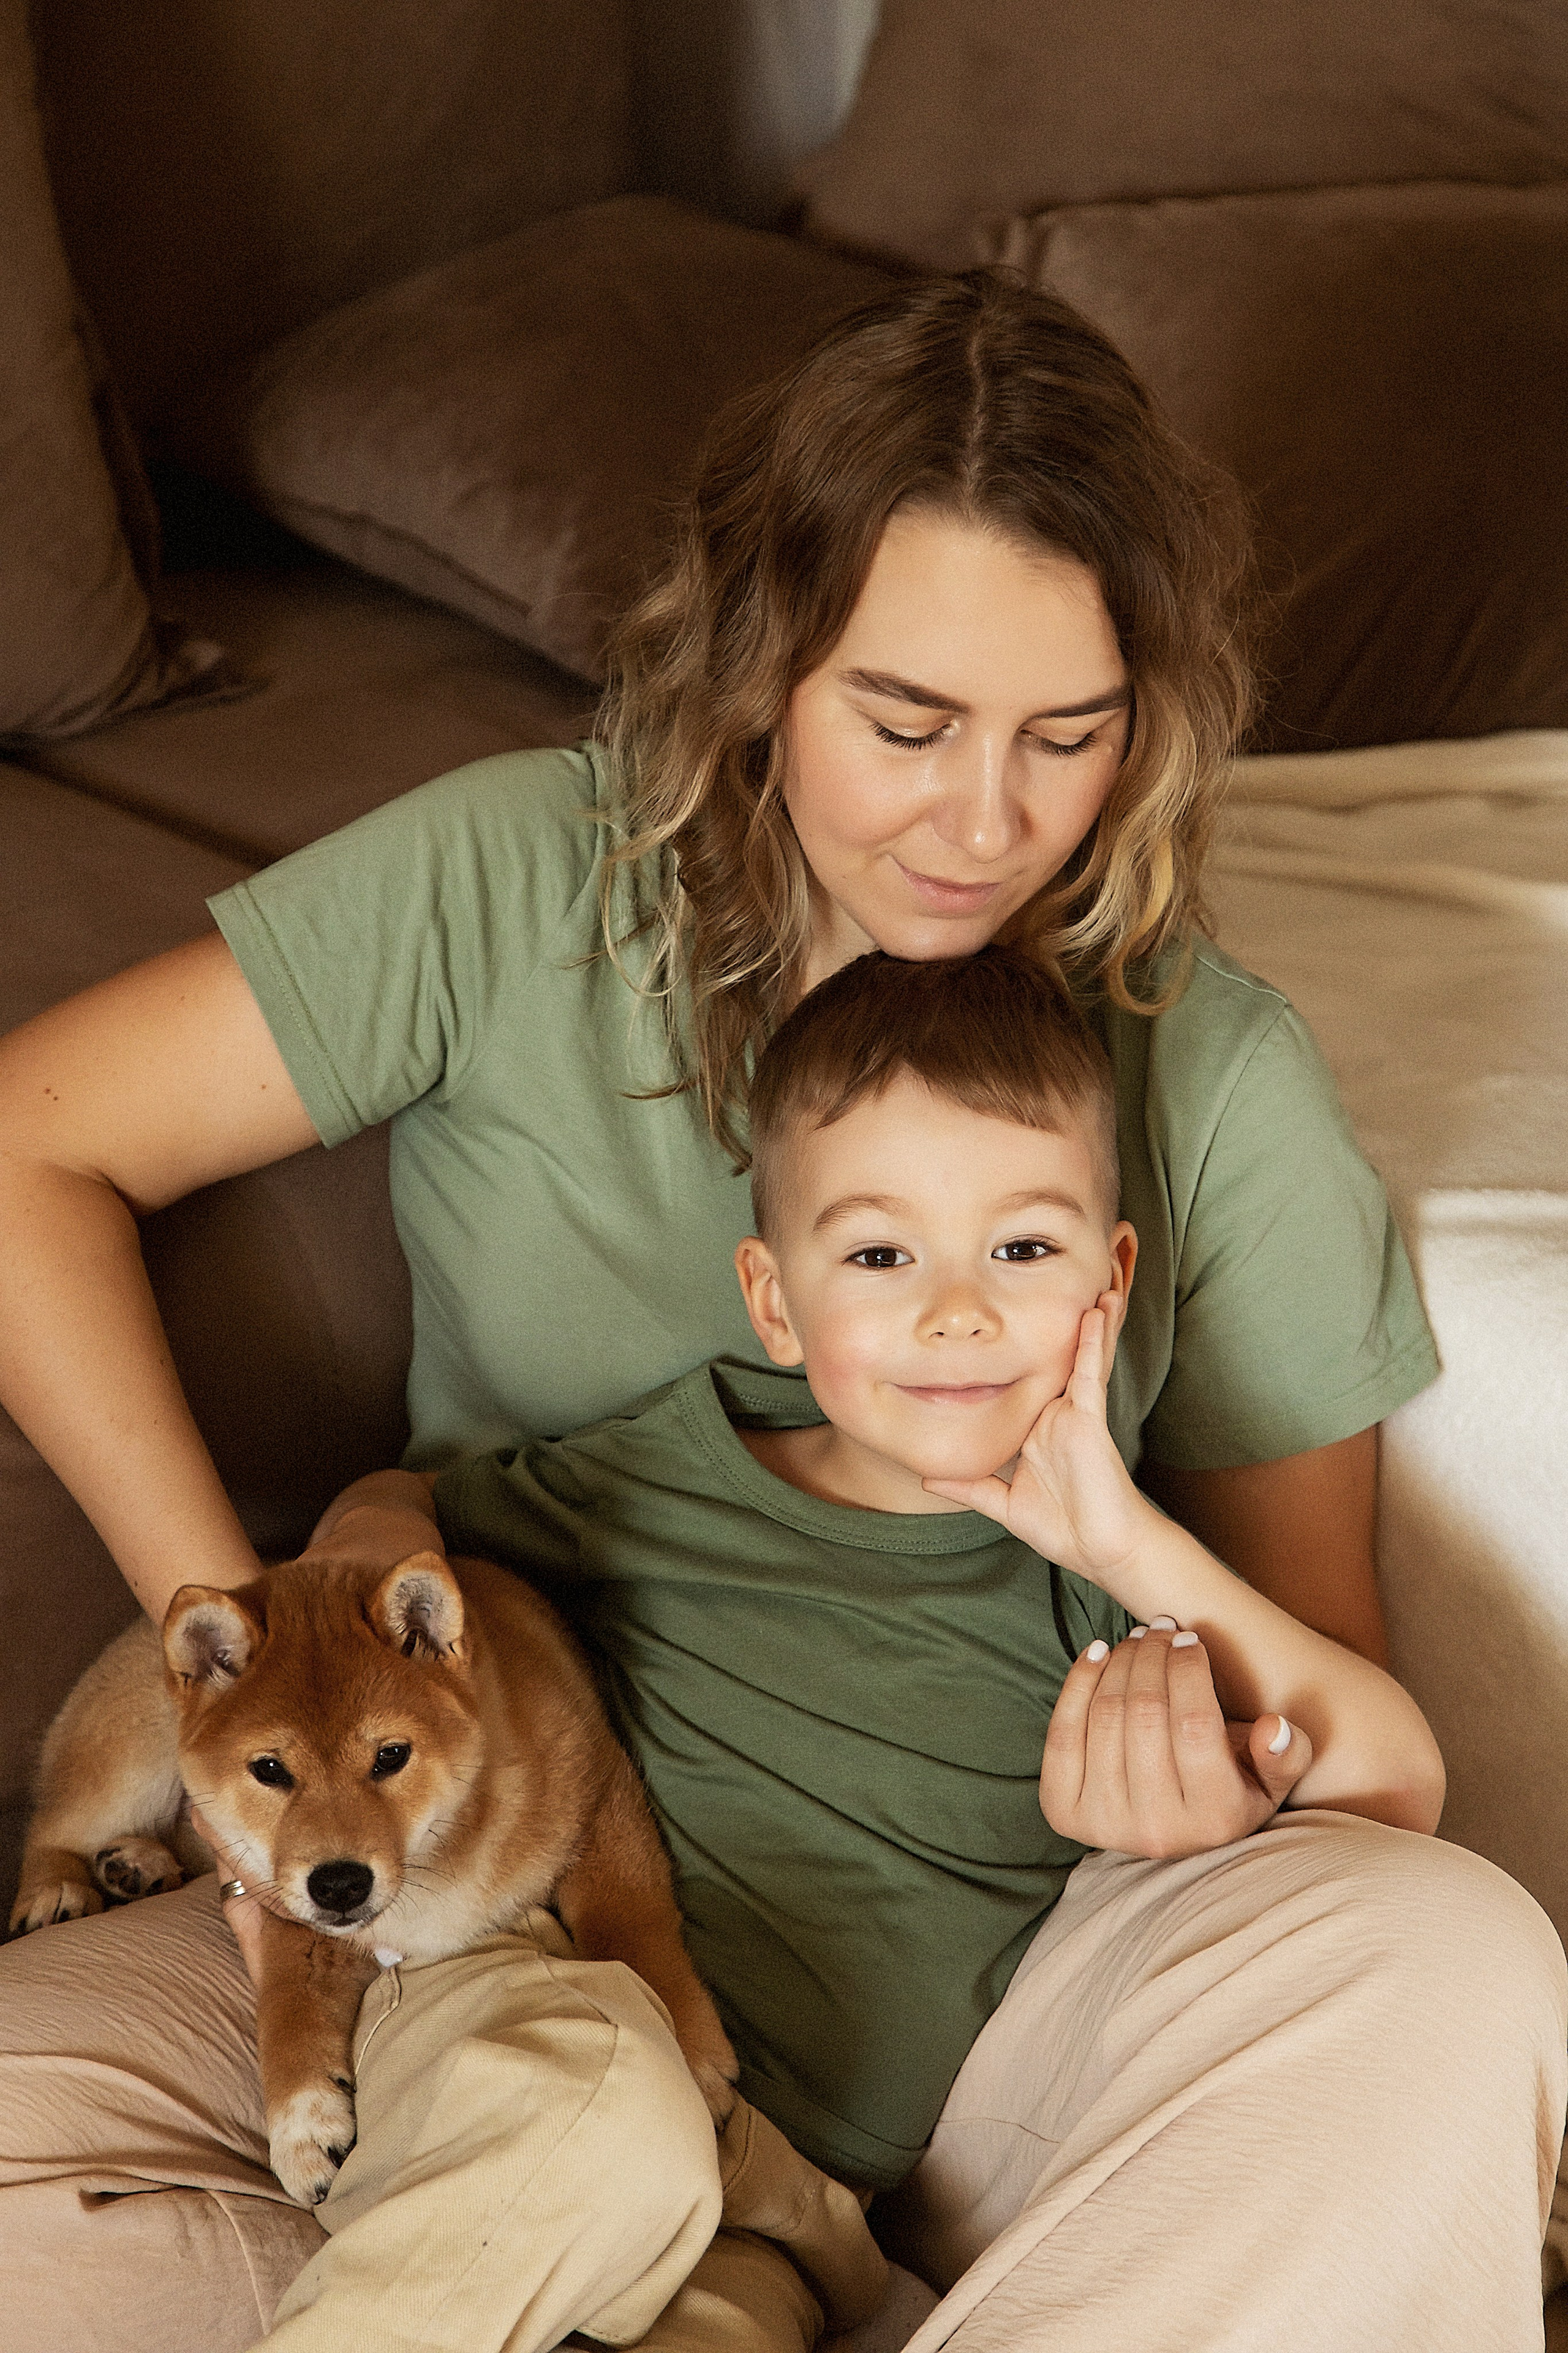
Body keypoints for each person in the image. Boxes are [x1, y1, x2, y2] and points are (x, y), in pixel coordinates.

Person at [0, 272, 1560, 2351]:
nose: (983, 821)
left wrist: (1202, 1773)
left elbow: (1322, 1693)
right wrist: (255, 1714)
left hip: (983, 2012)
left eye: (1068, 736)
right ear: (754, 665)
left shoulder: (1217, 1079)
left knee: (1442, 1970)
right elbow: (28, 1147)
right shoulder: (517, 885)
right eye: (905, 723)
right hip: (471, 1909)